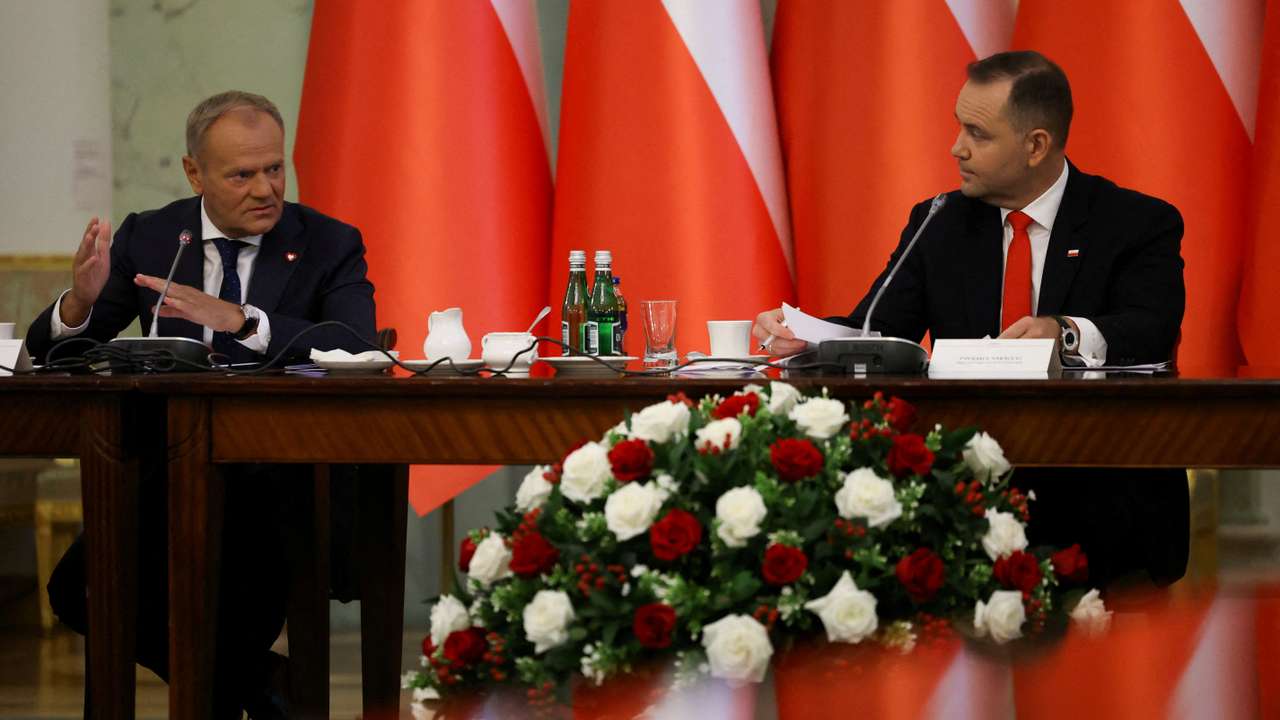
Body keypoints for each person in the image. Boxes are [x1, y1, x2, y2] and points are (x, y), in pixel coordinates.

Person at [753, 51, 1188, 588]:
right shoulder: (939, 221)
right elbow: (879, 330)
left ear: (1035, 146)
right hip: (966, 506)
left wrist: (1064, 331)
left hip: (1104, 504)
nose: (956, 147)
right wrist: (808, 338)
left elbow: (1151, 327)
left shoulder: (1137, 221)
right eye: (959, 126)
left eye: (977, 133)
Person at [25, 91, 377, 718]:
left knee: (226, 597)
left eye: (274, 168)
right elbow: (59, 356)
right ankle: (260, 681)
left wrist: (243, 320)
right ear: (195, 174)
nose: (265, 188)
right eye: (242, 174)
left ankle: (241, 684)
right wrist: (78, 304)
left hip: (280, 486)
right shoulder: (153, 236)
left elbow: (355, 345)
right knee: (77, 590)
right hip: (161, 476)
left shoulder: (328, 242)